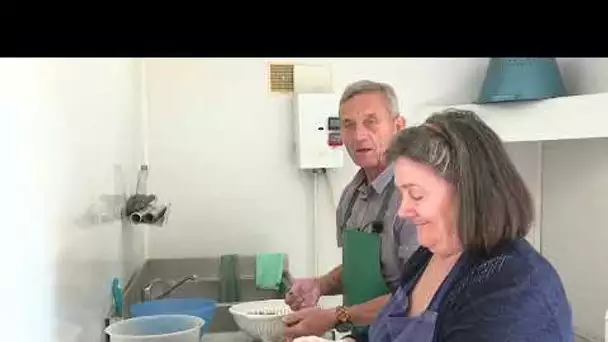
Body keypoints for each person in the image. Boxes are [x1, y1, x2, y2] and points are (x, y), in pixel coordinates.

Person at [303, 108, 572, 342]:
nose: (404, 210)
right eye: (401, 194)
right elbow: (386, 331)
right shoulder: (427, 257)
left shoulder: (515, 289)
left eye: (416, 194)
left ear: (468, 192)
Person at [283, 80, 419, 341]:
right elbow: (361, 269)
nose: (359, 135)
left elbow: (419, 295)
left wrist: (337, 315)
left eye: (371, 122)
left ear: (398, 126)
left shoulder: (414, 198)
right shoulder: (352, 195)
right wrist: (319, 285)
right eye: (348, 124)